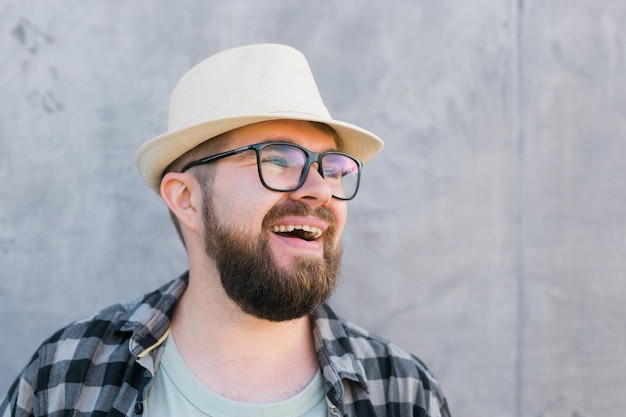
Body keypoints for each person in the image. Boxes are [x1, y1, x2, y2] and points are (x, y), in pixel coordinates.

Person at [1, 43, 451, 417]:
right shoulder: (65, 378)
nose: (319, 190)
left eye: (331, 168)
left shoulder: (402, 392)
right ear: (186, 199)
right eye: (277, 159)